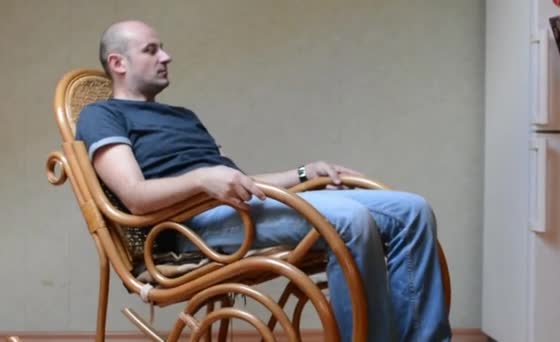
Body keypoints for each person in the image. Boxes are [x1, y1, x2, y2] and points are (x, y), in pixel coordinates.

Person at [76, 20, 451, 342]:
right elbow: (135, 196)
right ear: (117, 63)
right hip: (189, 227)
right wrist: (201, 180)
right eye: (151, 50)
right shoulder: (101, 115)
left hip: (236, 205)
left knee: (412, 210)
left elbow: (240, 182)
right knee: (348, 221)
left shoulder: (182, 116)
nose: (166, 56)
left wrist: (306, 173)